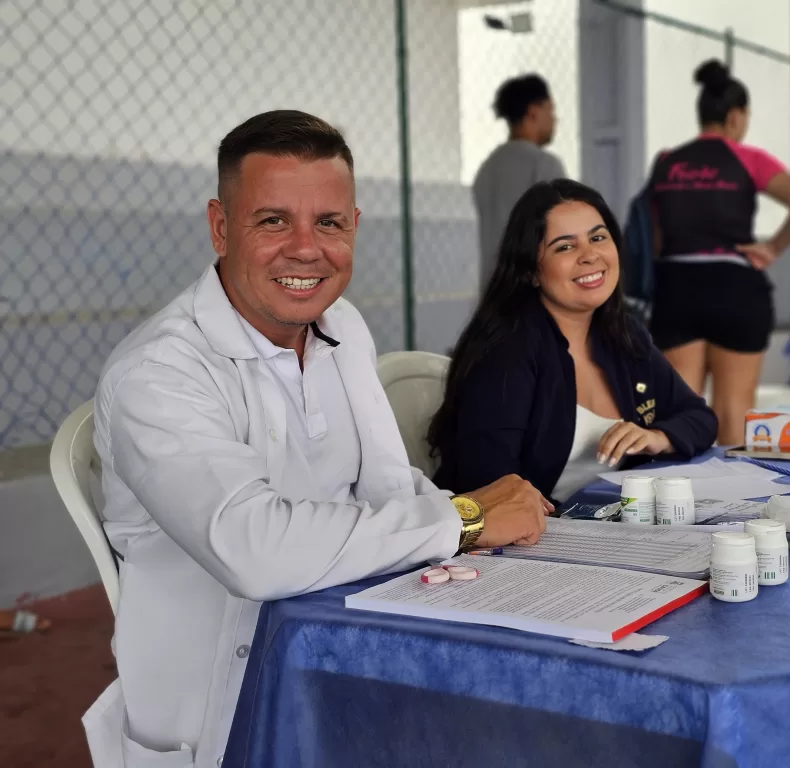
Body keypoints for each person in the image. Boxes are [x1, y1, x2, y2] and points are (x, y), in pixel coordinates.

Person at [84, 110, 551, 767]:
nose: (306, 250)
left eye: (328, 223)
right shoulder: (159, 372)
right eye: (272, 220)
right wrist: (464, 519)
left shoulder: (341, 325)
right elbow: (255, 551)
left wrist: (469, 525)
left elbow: (391, 484)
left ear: (353, 227)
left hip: (353, 650)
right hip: (227, 710)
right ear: (220, 227)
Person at [429, 179, 718, 504]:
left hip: (604, 527)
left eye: (598, 237)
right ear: (531, 272)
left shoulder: (624, 334)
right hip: (516, 542)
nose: (590, 255)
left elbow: (700, 418)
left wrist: (657, 437)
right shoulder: (506, 351)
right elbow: (491, 485)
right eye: (565, 246)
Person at [646, 59, 790, 446]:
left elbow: (656, 240)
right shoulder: (747, 158)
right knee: (734, 411)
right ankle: (731, 503)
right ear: (736, 116)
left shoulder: (667, 163)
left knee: (679, 412)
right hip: (735, 289)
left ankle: (677, 499)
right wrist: (773, 247)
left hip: (677, 287)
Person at [473, 73, 565, 295]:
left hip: (493, 295)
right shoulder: (545, 165)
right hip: (533, 296)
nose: (555, 119)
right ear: (533, 111)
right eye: (550, 110)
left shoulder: (487, 169)